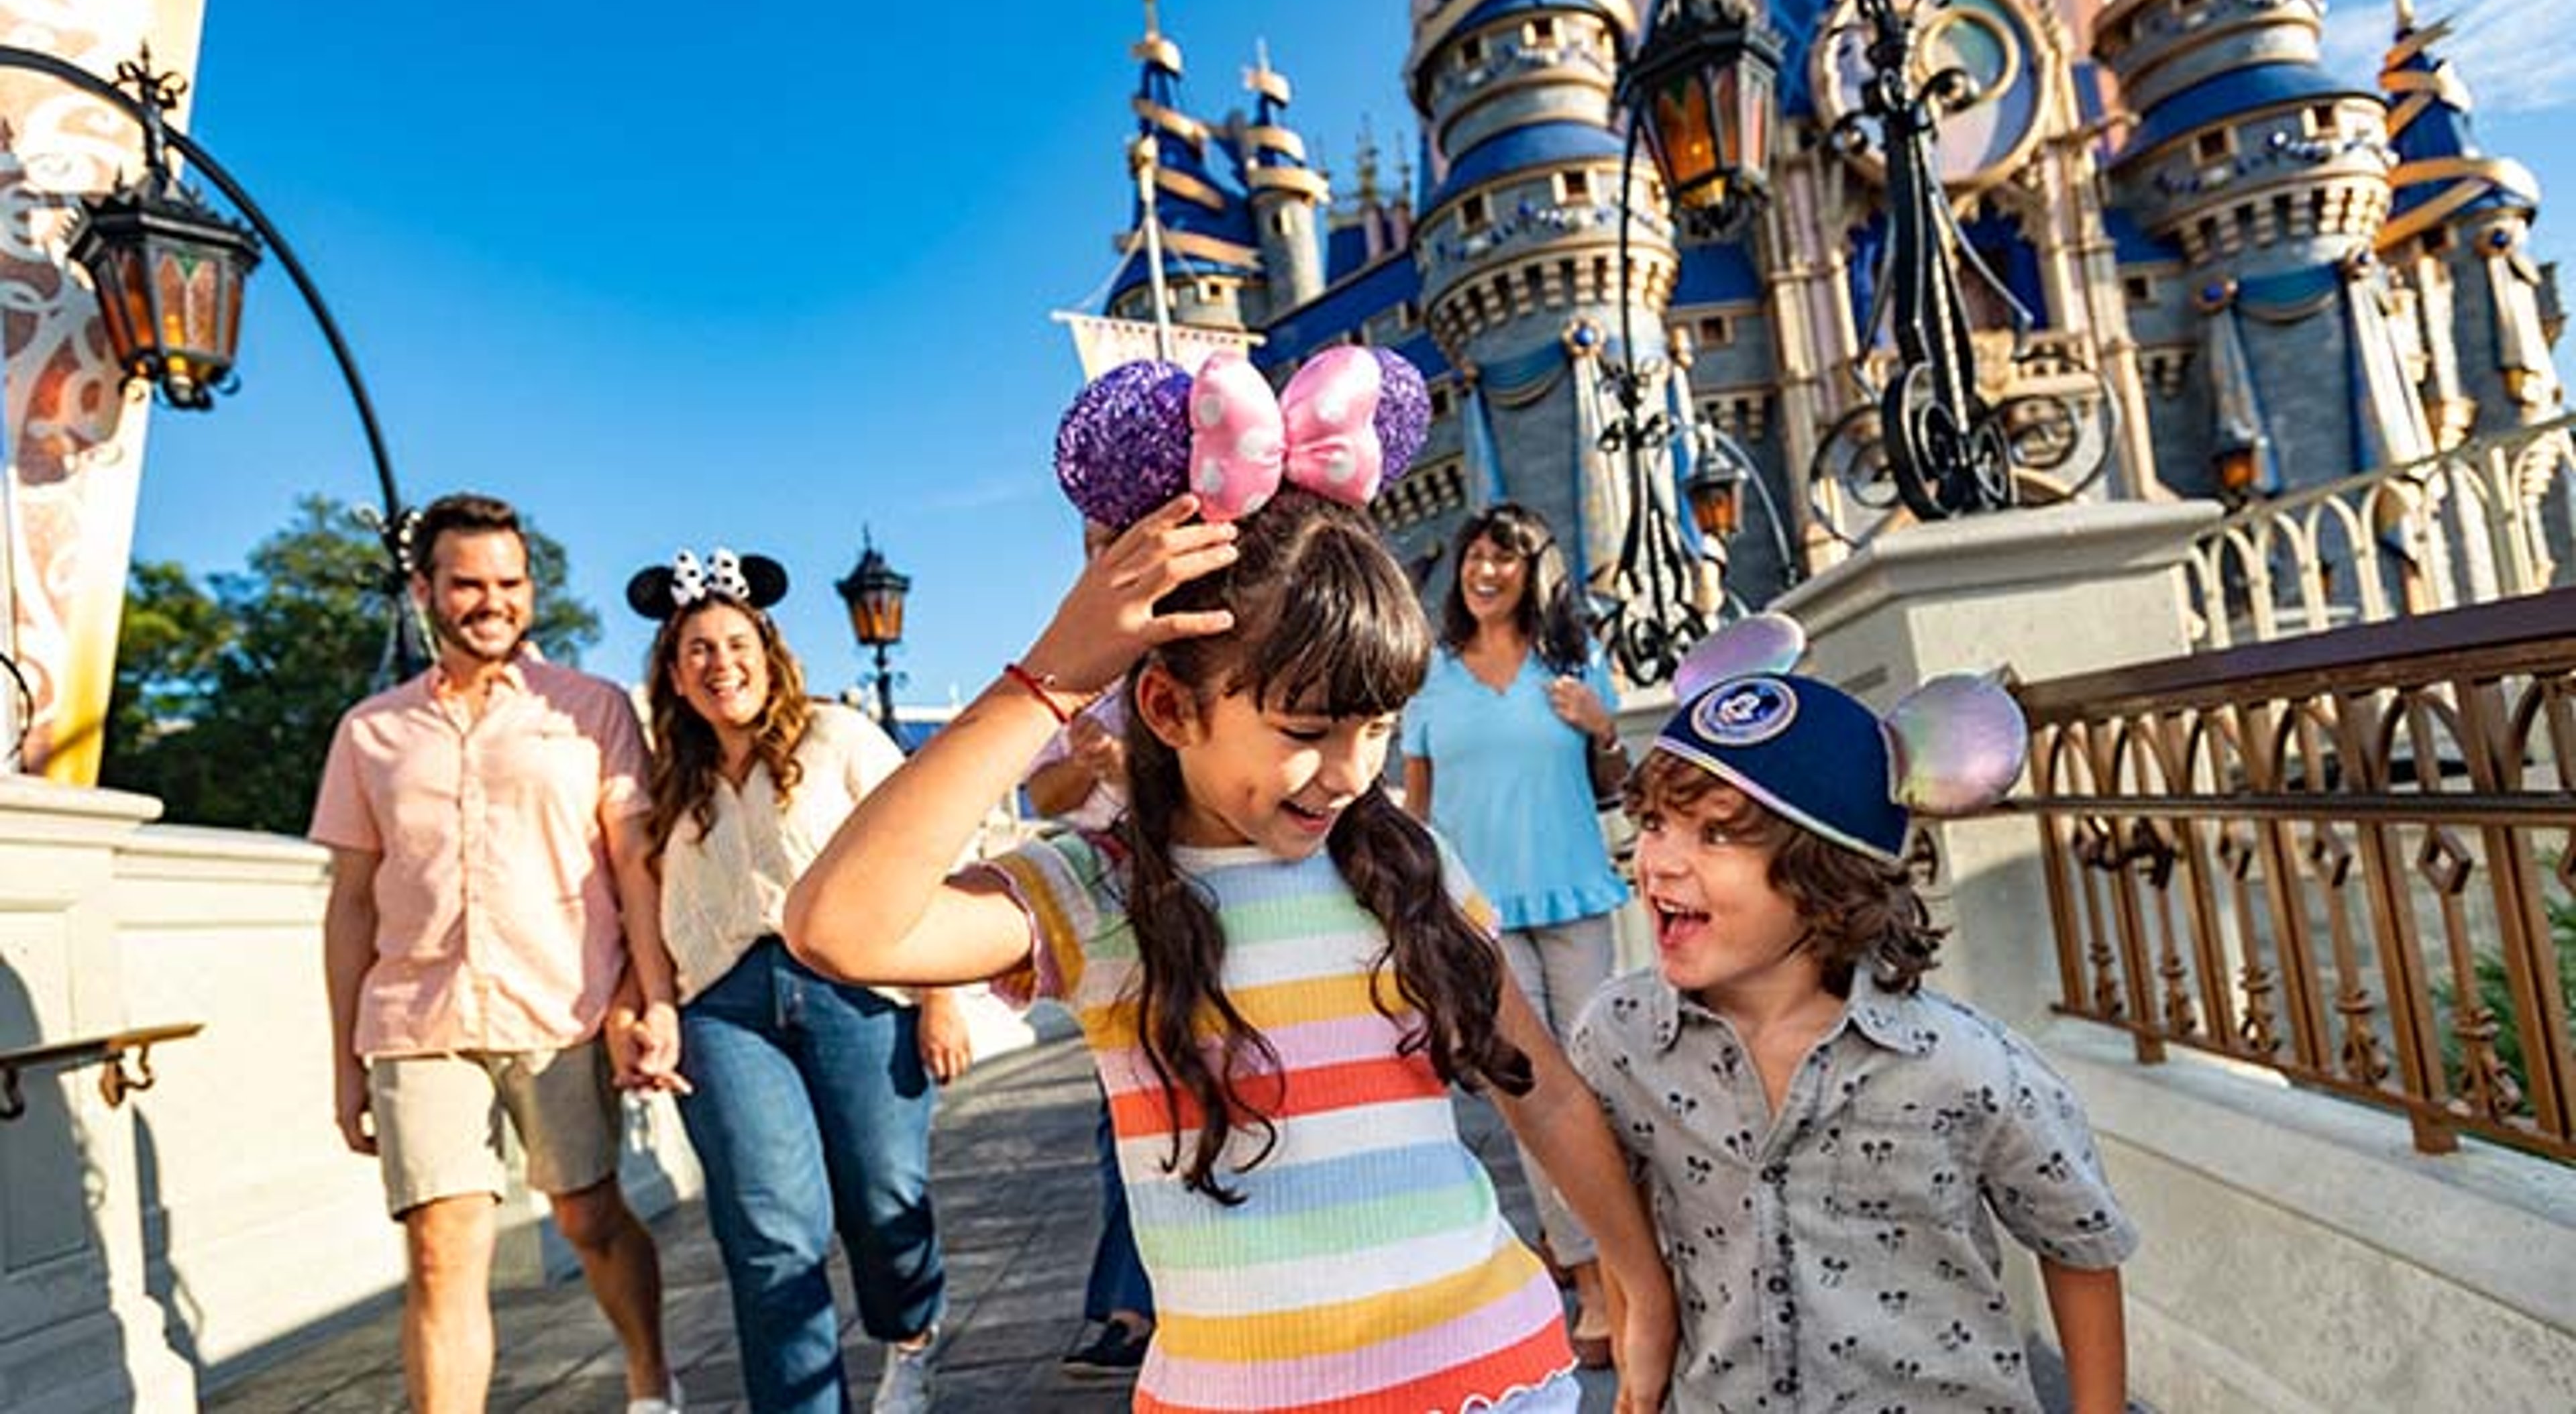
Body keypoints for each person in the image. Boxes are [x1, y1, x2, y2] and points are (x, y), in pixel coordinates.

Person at [783, 351, 1678, 1408]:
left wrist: (1640, 1283)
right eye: (1305, 730)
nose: (1352, 772)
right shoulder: (1097, 893)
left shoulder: (1412, 866)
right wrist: (1051, 677)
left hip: (1491, 1374)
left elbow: (1548, 1098)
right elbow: (842, 924)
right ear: (1168, 709)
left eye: (1379, 727)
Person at [1566, 616, 2139, 1412]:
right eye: (1655, 822)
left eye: (1717, 833)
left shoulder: (1964, 1065)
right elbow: (1619, 1221)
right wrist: (1638, 1367)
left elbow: (2079, 1241)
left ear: (1822, 874)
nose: (1658, 859)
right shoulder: (1620, 1040)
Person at [311, 492, 678, 1414]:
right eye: (467, 583)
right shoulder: (371, 730)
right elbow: (350, 904)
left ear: (530, 587)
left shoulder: (591, 710)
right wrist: (343, 1063)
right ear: (426, 590)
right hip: (413, 1015)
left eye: (509, 582)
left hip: (560, 1005)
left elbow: (638, 866)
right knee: (441, 1244)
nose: (491, 600)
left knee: (590, 1218)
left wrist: (655, 994)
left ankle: (649, 1379)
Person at [619, 547, 963, 1414]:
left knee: (886, 1201)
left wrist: (942, 994)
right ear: (674, 671)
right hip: (726, 1012)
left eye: (736, 643)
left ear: (768, 652)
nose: (719, 662)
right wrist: (657, 1007)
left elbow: (923, 851)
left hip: (856, 994)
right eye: (696, 649)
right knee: (772, 1231)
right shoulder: (671, 784)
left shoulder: (838, 736)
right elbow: (649, 916)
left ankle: (913, 1336)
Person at [1399, 500, 1632, 1365]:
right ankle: (1592, 1280)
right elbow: (1416, 813)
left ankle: (1625, 1253)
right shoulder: (1430, 677)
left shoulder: (1574, 663)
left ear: (1537, 570)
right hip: (1480, 917)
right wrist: (1413, 915)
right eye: (1474, 558)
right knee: (1530, 1095)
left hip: (1575, 898)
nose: (1485, 571)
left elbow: (1617, 784)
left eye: (1505, 557)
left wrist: (1602, 727)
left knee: (1601, 1082)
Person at [1021, 524, 1158, 1381]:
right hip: (1122, 899)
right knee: (1128, 1108)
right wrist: (1093, 760)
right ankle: (1132, 1303)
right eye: (1097, 539)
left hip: (1225, 884)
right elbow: (1044, 789)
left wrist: (1138, 763)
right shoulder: (1078, 659)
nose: (1108, 551)